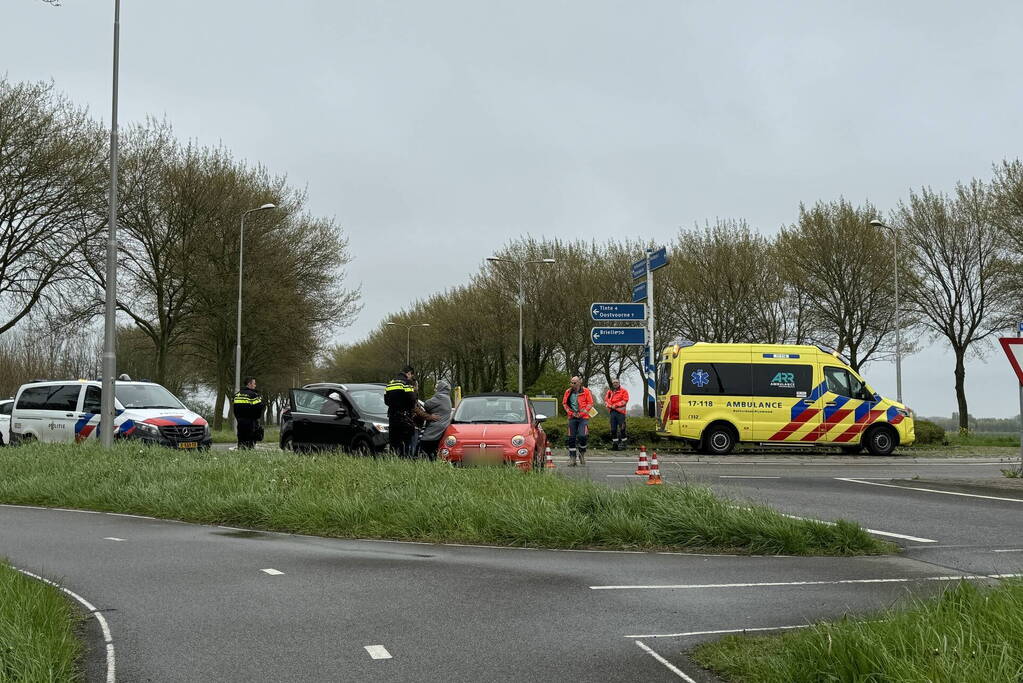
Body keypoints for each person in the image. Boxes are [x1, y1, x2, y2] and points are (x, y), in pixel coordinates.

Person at [384, 366, 435, 457]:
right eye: (411, 375)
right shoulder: (407, 383)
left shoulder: (390, 383)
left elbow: (386, 401)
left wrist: (395, 406)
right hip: (404, 417)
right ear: (409, 373)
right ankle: (405, 460)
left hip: (392, 417)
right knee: (406, 444)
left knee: (394, 443)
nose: (411, 377)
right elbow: (412, 400)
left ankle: (394, 460)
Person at [562, 376, 594, 466]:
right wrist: (571, 413)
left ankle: (581, 454)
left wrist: (581, 413)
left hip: (583, 418)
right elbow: (564, 403)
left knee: (582, 436)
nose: (572, 384)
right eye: (571, 382)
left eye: (574, 383)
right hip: (572, 417)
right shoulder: (568, 392)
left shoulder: (586, 391)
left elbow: (590, 403)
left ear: (579, 383)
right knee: (571, 438)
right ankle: (572, 458)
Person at [419, 379, 453, 461]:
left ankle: (427, 461)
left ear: (440, 388)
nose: (435, 389)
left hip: (435, 426)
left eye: (436, 387)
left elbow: (427, 404)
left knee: (425, 443)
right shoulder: (447, 397)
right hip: (443, 425)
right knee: (435, 447)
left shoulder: (440, 396)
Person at [233, 377, 264, 450]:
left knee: (241, 441)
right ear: (249, 384)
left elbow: (235, 409)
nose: (255, 385)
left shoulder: (237, 395)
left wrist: (238, 418)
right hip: (251, 423)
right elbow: (259, 408)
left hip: (240, 422)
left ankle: (241, 454)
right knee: (250, 443)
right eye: (254, 383)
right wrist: (256, 419)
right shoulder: (254, 395)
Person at [605, 378, 629, 450]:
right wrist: (609, 405)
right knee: (613, 429)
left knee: (622, 429)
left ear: (619, 383)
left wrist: (615, 405)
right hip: (612, 412)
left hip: (620, 412)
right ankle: (615, 445)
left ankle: (624, 444)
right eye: (614, 383)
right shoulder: (609, 392)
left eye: (616, 382)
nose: (615, 384)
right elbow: (606, 400)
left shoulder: (624, 391)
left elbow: (625, 400)